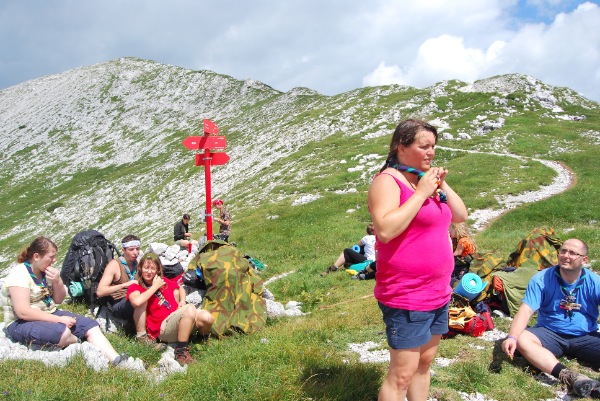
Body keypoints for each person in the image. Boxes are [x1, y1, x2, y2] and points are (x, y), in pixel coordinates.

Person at [367, 119, 468, 401]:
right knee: (401, 375)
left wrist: (440, 183)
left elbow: (460, 215)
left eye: (433, 146)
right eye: (424, 146)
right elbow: (385, 230)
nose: (431, 152)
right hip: (407, 293)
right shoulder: (387, 181)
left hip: (438, 291)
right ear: (401, 147)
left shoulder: (422, 180)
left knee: (424, 364)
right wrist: (422, 192)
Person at [3, 236, 128, 366]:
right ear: (36, 256)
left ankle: (116, 359)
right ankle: (82, 344)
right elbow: (23, 312)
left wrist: (57, 281)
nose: (54, 260)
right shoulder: (20, 275)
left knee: (91, 325)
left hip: (49, 312)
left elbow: (58, 299)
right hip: (21, 322)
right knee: (62, 333)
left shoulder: (45, 272)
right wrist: (59, 319)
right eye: (51, 257)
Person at [501, 238, 600, 398]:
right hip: (550, 334)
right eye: (563, 251)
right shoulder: (541, 279)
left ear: (584, 260)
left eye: (573, 253)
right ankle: (569, 376)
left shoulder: (595, 282)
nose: (566, 255)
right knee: (522, 338)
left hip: (585, 336)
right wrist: (512, 337)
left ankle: (594, 388)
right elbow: (525, 311)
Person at [127, 252, 214, 366]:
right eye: (146, 268)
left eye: (153, 268)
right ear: (140, 269)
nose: (149, 271)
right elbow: (136, 302)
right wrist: (155, 286)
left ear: (158, 270)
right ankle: (181, 351)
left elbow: (180, 288)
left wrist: (182, 301)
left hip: (176, 319)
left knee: (207, 317)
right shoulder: (136, 286)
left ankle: (201, 339)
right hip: (162, 329)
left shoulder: (163, 281)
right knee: (190, 309)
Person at [96, 235, 165, 350]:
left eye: (137, 249)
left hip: (134, 295)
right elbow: (100, 291)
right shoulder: (114, 265)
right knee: (141, 300)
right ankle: (142, 338)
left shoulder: (137, 264)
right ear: (123, 250)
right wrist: (124, 285)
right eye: (131, 249)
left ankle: (159, 330)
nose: (135, 252)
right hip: (119, 303)